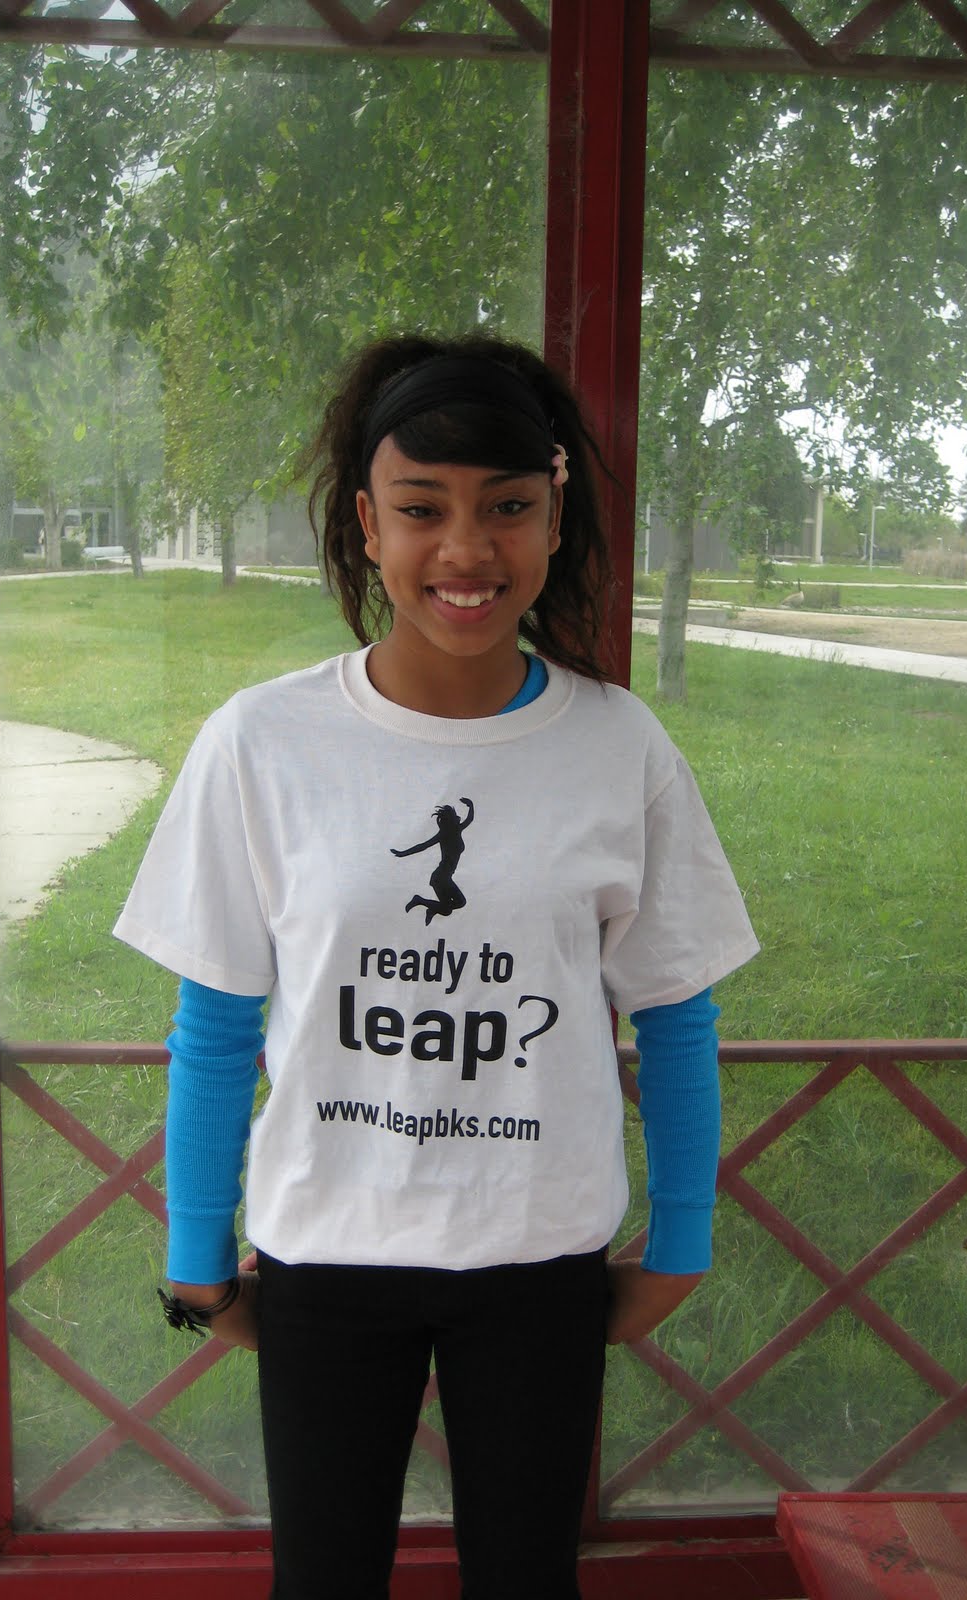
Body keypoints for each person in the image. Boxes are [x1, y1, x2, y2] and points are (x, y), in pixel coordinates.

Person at [114, 333, 759, 1600]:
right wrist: (197, 1246)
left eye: (507, 507)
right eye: (422, 509)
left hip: (537, 1256)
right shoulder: (262, 742)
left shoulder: (619, 746)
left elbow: (678, 1013)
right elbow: (218, 1021)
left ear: (554, 517)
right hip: (328, 1252)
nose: (467, 550)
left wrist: (681, 1237)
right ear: (367, 523)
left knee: (527, 1577)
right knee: (323, 1578)